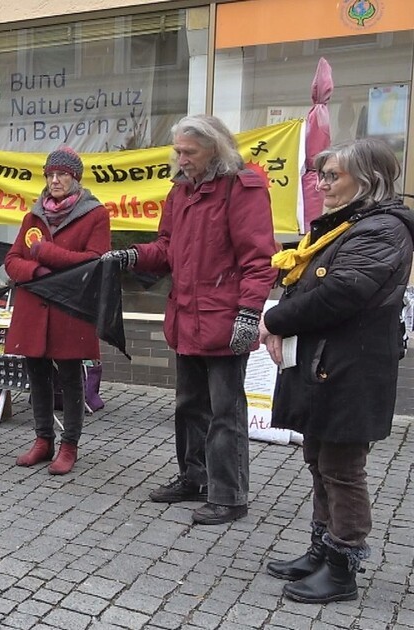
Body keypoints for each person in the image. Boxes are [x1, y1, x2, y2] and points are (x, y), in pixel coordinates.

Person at [260, 139, 413, 603]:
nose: (321, 184)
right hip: (325, 362)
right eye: (320, 175)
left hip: (352, 368)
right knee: (319, 460)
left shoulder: (382, 229)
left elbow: (340, 293)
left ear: (367, 179)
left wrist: (274, 320)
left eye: (333, 176)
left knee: (343, 469)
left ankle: (342, 568)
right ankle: (321, 551)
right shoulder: (345, 224)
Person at [103, 114, 276, 525]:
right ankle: (194, 478)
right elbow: (167, 248)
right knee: (188, 407)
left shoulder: (242, 188)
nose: (181, 159)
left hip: (225, 321)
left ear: (215, 149)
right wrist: (132, 256)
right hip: (187, 318)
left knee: (225, 413)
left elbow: (259, 260)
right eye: (178, 151)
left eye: (189, 152)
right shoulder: (180, 191)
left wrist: (249, 313)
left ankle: (230, 495)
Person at [3, 147, 110, 474]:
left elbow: (96, 261)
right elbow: (12, 260)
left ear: (75, 178)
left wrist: (47, 254)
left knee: (70, 378)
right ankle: (43, 439)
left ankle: (69, 445)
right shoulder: (33, 217)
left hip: (70, 310)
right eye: (50, 175)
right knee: (37, 375)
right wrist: (36, 271)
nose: (54, 180)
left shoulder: (95, 214)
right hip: (33, 308)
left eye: (61, 174)